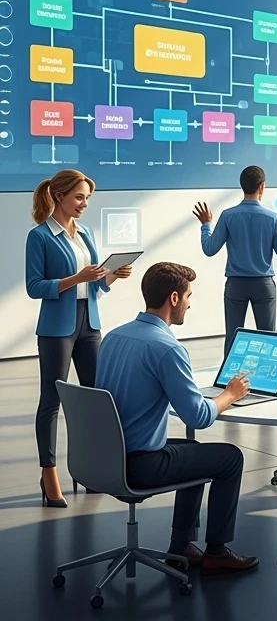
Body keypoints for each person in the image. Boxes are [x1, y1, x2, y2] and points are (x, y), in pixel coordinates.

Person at [95, 262, 258, 574]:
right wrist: (229, 395)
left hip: (106, 456)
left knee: (191, 452)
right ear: (173, 298)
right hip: (139, 464)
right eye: (188, 296)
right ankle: (216, 552)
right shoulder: (167, 348)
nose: (189, 303)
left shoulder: (114, 337)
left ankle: (181, 545)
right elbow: (197, 416)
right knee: (229, 458)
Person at [26, 170, 133, 508]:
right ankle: (49, 474)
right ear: (59, 196)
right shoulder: (40, 236)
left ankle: (87, 470)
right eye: (79, 197)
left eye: (87, 197)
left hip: (90, 322)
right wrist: (76, 277)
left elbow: (96, 284)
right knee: (51, 399)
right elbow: (34, 287)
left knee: (93, 399)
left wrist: (113, 275)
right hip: (57, 326)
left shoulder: (85, 233)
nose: (85, 203)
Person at [195, 165, 277, 356]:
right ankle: (268, 380)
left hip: (236, 285)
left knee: (233, 337)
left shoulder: (228, 215)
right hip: (264, 285)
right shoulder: (273, 218)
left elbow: (209, 249)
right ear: (262, 187)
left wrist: (206, 225)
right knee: (268, 337)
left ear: (242, 186)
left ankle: (228, 381)